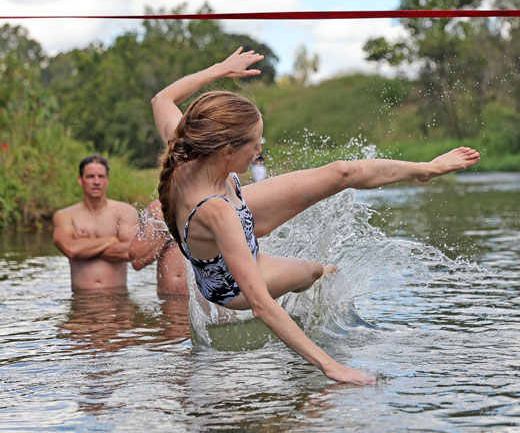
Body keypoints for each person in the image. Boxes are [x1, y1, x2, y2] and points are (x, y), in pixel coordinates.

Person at [152, 47, 480, 385]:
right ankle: (322, 274)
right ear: (228, 150)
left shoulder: (188, 147)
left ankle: (423, 170)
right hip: (228, 287)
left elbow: (162, 98)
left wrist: (220, 68)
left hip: (236, 210)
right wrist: (332, 367)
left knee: (341, 172)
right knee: (310, 271)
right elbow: (262, 307)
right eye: (255, 145)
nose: (260, 152)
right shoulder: (217, 212)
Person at [53, 154, 138, 291]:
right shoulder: (65, 215)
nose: (96, 181)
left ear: (107, 180)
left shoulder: (124, 212)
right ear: (80, 180)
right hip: (81, 300)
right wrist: (113, 239)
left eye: (101, 176)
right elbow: (71, 249)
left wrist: (84, 246)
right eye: (90, 177)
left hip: (118, 299)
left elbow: (130, 252)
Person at [129, 199, 189, 296]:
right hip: (166, 299)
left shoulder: (214, 204)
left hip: (204, 303)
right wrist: (169, 229)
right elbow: (137, 260)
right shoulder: (159, 208)